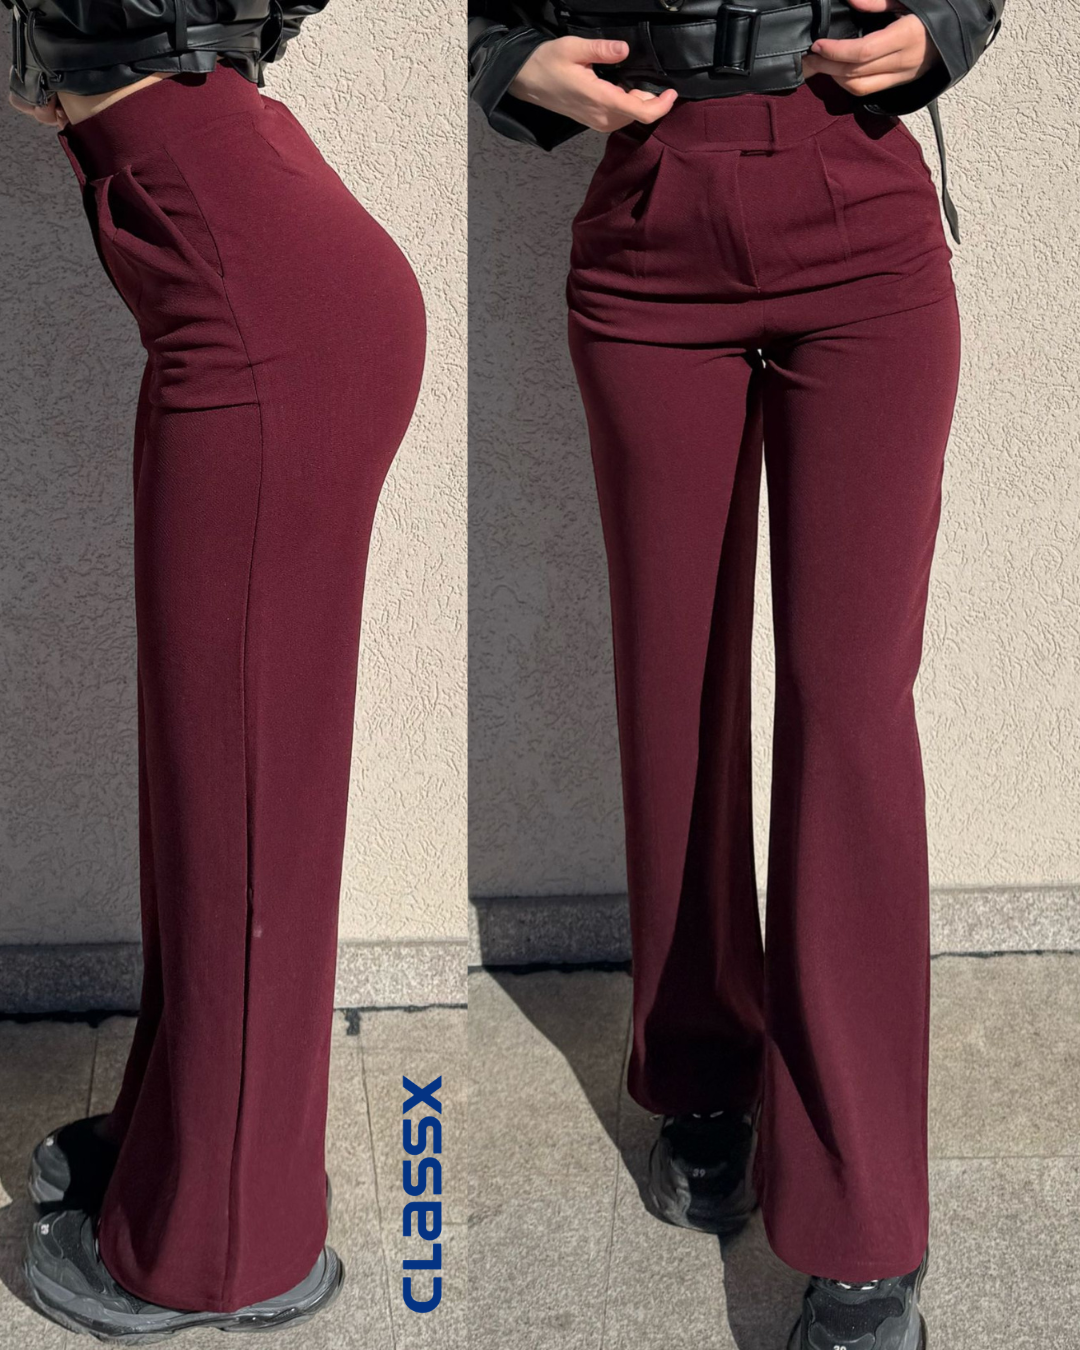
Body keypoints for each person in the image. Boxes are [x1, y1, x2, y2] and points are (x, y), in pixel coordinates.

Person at [469, 0, 1004, 1345]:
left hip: (860, 214)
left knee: (849, 713)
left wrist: (946, 20)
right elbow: (498, 21)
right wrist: (510, 59)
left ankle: (864, 1218)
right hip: (649, 233)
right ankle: (705, 1065)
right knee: (676, 688)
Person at [5, 1, 426, 1337]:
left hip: (269, 324)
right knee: (206, 795)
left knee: (244, 818)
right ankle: (178, 1143)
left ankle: (227, 1253)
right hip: (233, 292)